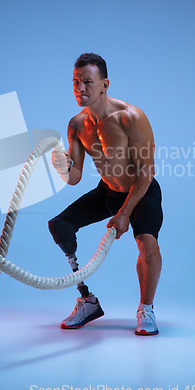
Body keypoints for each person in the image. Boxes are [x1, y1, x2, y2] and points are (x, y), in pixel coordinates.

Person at [48, 53, 163, 335]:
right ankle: (87, 300)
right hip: (107, 191)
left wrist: (124, 213)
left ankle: (145, 309)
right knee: (59, 225)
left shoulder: (130, 117)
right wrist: (62, 167)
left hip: (140, 190)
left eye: (87, 82)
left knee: (147, 244)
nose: (80, 89)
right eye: (75, 83)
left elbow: (146, 171)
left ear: (104, 84)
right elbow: (74, 179)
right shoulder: (76, 124)